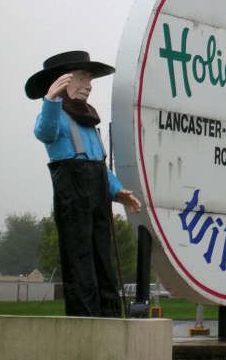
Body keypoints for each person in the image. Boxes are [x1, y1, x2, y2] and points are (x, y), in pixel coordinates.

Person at [25, 50, 141, 317]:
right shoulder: (54, 116)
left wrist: (117, 190)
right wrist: (51, 100)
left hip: (97, 191)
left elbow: (98, 163)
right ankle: (84, 316)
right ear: (62, 81)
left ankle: (109, 314)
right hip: (72, 192)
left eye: (89, 80)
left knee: (102, 254)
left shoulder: (88, 121)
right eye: (81, 79)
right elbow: (44, 132)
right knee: (79, 257)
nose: (88, 86)